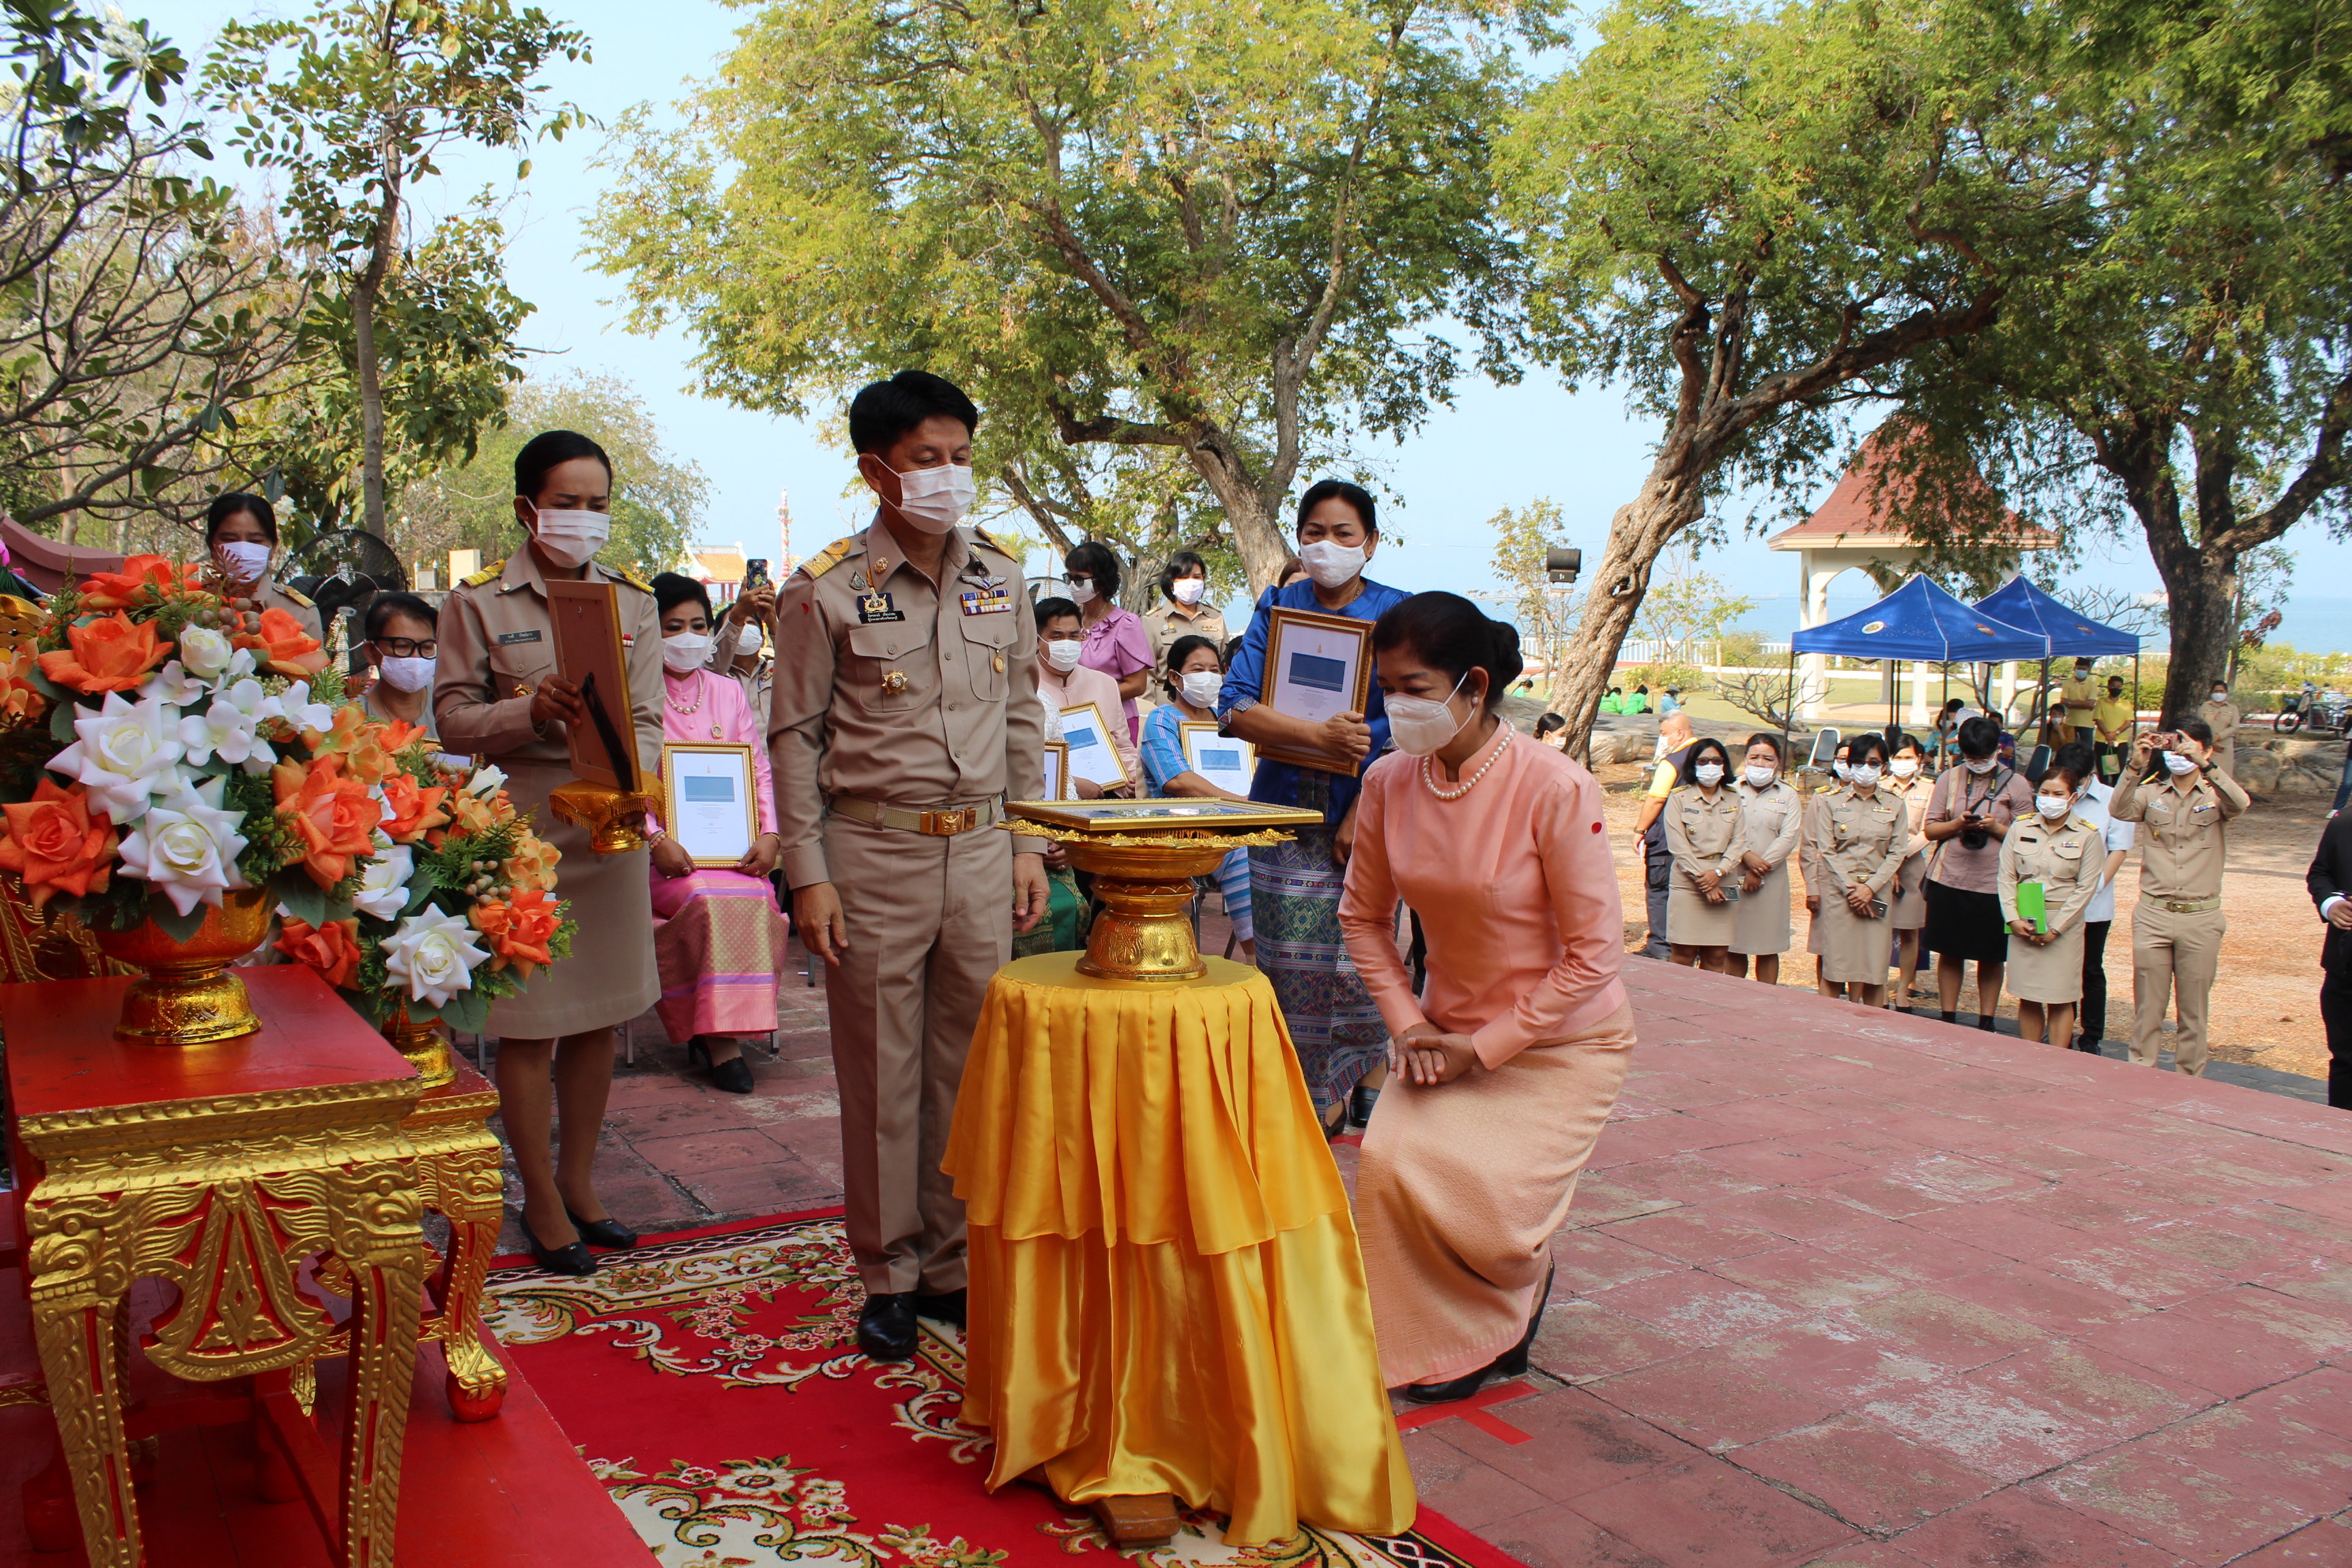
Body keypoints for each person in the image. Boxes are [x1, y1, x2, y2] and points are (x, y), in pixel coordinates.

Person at [770, 370, 1049, 1360]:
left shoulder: (1004, 578)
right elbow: (795, 738)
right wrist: (808, 873)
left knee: (971, 1069)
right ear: (876, 469)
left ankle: (955, 1266)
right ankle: (888, 1272)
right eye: (927, 460)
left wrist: (1027, 844)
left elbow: (1023, 720)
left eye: (962, 459)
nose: (948, 477)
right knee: (882, 1074)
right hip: (873, 851)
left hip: (980, 850)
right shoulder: (827, 589)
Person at [1337, 593, 1630, 1403]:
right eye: (1385, 687)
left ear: (1473, 685)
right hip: (1445, 1028)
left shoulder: (1555, 788)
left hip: (1565, 1038)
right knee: (1393, 1167)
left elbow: (1595, 955)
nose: (1395, 706)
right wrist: (1413, 1024)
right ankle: (1448, 1337)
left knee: (1495, 1209)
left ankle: (1517, 1286)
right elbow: (1362, 919)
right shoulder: (1390, 782)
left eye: (1414, 687)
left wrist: (1491, 1046)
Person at [435, 430, 664, 1275]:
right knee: (531, 1028)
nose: (585, 520)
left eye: (598, 505)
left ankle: (580, 1180)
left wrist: (639, 786)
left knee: (601, 1017)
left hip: (608, 832)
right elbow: (452, 719)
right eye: (568, 503)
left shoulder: (631, 603)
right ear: (529, 508)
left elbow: (647, 721)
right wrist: (528, 712)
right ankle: (536, 1191)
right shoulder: (479, 605)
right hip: (522, 835)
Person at [1219, 478, 1409, 1134]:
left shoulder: (1400, 616)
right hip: (1281, 813)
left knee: (1360, 956)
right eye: (1314, 532)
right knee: (1287, 960)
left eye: (1343, 534)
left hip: (1371, 817)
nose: (1327, 545)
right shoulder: (1277, 605)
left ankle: (1365, 1071)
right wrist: (1315, 736)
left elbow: (1414, 721)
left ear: (1372, 543)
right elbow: (1236, 707)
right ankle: (1302, 1095)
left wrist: (1365, 807)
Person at [645, 572, 787, 1094]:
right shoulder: (635, 694)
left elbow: (758, 771)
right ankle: (718, 1041)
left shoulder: (728, 691)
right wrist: (655, 839)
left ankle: (722, 1026)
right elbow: (622, 781)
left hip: (730, 851)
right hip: (662, 856)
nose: (688, 636)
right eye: (673, 626)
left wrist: (770, 834)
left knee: (757, 897)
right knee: (704, 900)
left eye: (698, 625)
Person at [2110, 717, 2247, 1077]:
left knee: (2194, 1011)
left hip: (2200, 917)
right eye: (2172, 742)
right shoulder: (2152, 792)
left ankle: (2189, 1083)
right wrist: (2135, 765)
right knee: (2148, 1008)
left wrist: (2205, 764)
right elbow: (2120, 810)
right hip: (2154, 913)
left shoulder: (2215, 793)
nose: (2177, 751)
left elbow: (2241, 803)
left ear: (2206, 748)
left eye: (2185, 743)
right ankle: (2142, 1076)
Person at [1139, 634, 1252, 960]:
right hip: (1183, 828)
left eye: (1214, 669)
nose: (1209, 677)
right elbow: (1177, 781)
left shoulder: (1227, 722)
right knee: (1243, 852)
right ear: (1175, 677)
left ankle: (1288, 951)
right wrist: (1236, 801)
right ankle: (1259, 959)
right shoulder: (1163, 719)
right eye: (1198, 668)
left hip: (1237, 818)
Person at [1921, 715, 2034, 1028]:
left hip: (1995, 883)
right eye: (1971, 757)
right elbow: (1930, 830)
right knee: (1950, 950)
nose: (1977, 763)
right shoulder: (1950, 779)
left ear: (1997, 749)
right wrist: (1958, 824)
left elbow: (2030, 838)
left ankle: (1987, 1019)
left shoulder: (2017, 784)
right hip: (1951, 877)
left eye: (1983, 757)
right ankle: (1947, 1015)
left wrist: (1997, 827)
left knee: (1991, 955)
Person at [1997, 761, 2106, 1045]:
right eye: (2045, 792)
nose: (2050, 799)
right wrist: (2012, 918)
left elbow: (2086, 888)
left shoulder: (2087, 835)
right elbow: (2006, 877)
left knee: (2061, 998)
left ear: (2073, 797)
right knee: (2029, 995)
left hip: (2064, 926)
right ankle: (2032, 1058)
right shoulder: (2020, 828)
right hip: (2025, 920)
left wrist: (2056, 928)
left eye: (2059, 794)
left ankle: (2058, 1062)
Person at [1806, 732, 1905, 1007]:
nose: (1866, 769)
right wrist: (1852, 889)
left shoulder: (1895, 803)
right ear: (1849, 765)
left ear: (1885, 766)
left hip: (1877, 893)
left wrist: (1869, 888)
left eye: (1874, 763)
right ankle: (1827, 1029)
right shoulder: (1831, 801)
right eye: (1859, 762)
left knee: (1873, 972)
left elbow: (1897, 851)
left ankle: (1871, 1033)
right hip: (1841, 895)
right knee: (1835, 968)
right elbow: (1827, 850)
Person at [2055, 740, 2134, 1054]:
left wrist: (2094, 886)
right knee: (2060, 967)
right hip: (2055, 899)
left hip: (2093, 904)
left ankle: (2091, 1036)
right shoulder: (2054, 794)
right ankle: (2059, 1027)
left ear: (2090, 775)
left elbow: (2119, 848)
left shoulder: (2112, 801)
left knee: (2090, 967)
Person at [204, 492, 329, 672]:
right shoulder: (192, 604)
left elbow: (313, 684)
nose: (243, 551)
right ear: (211, 546)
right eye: (229, 540)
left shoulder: (301, 612)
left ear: (273, 548)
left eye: (255, 541)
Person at [1035, 596, 1138, 796]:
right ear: (1036, 640)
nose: (1067, 643)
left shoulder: (1106, 684)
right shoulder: (1022, 688)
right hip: (1049, 801)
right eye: (1057, 637)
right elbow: (1021, 760)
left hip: (1109, 798)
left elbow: (1124, 748)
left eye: (1074, 636)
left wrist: (1133, 780)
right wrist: (1070, 785)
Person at [1060, 540, 1154, 742]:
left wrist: (1090, 699)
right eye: (1069, 577)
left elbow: (1138, 685)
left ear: (1101, 581)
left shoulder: (1126, 624)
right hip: (1069, 720)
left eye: (1079, 579)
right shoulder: (1069, 620)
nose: (1072, 585)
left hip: (1114, 722)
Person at [1727, 734, 1802, 986]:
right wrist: (1745, 855)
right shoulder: (1731, 790)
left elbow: (1789, 836)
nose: (1760, 763)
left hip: (1771, 880)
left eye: (1768, 758)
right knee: (1735, 944)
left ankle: (1767, 999)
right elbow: (1722, 830)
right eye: (1754, 757)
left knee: (1768, 946)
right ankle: (1734, 997)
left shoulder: (1789, 795)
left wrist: (1758, 870)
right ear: (1745, 759)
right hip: (1733, 874)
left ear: (1778, 763)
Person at [1663, 737, 1741, 974]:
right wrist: (1705, 881)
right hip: (1689, 884)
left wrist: (1719, 872)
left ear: (1724, 765)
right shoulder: (1679, 798)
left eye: (1716, 761)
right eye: (1703, 760)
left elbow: (1740, 841)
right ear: (1693, 765)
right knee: (1683, 954)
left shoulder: (1734, 798)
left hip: (1724, 880)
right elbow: (1678, 847)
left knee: (1717, 955)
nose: (1710, 766)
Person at [1631, 711, 1697, 961]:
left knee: (1660, 890)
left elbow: (1657, 798)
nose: (1663, 740)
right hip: (1704, 840)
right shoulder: (1710, 755)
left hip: (1668, 840)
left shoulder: (1673, 761)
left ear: (1679, 733)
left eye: (1664, 734)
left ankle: (1661, 947)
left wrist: (1639, 830)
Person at [2307, 806, 2352, 1108]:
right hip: (2344, 967)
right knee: (2346, 1059)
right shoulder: (2344, 822)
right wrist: (2330, 903)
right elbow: (2319, 873)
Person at [1886, 734, 1933, 1009]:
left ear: (1918, 760)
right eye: (1898, 758)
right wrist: (1889, 859)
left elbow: (1929, 828)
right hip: (1880, 866)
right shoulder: (1879, 786)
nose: (1903, 763)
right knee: (1880, 929)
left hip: (1913, 866)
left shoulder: (1930, 789)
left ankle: (1904, 988)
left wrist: (1900, 855)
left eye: (1908, 758)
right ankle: (1879, 985)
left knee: (1910, 932)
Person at [1800, 738, 1850, 991]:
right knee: (1825, 946)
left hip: (1862, 883)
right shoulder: (1822, 798)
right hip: (1828, 881)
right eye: (1841, 759)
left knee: (1860, 948)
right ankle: (1825, 997)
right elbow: (1809, 846)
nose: (1848, 765)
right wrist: (1812, 887)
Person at [356, 591, 441, 739]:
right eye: (403, 646)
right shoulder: (352, 719)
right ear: (371, 652)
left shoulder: (448, 706)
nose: (416, 657)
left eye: (427, 647)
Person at [1147, 549, 1228, 666]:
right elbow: (1148, 674)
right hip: (1169, 684)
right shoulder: (1152, 621)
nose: (1191, 582)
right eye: (1184, 577)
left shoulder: (1216, 617)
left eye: (1197, 577)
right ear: (1171, 583)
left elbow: (1226, 664)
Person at [2094, 674, 2136, 784]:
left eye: (2119, 686)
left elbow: (2129, 722)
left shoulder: (2126, 704)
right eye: (2114, 686)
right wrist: (2108, 735)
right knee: (2103, 773)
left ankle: (2115, 796)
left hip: (2120, 743)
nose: (2116, 688)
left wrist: (2115, 733)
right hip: (2103, 742)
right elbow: (2098, 720)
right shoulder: (2101, 703)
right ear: (2109, 687)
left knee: (2117, 773)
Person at [2200, 679, 2242, 779]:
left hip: (2224, 747)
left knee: (2224, 777)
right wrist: (2211, 741)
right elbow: (2200, 725)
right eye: (2216, 691)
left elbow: (2235, 727)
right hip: (2208, 746)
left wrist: (2219, 736)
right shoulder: (2205, 706)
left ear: (2226, 693)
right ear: (2212, 692)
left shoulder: (2233, 709)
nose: (2219, 693)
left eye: (2222, 691)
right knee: (2206, 775)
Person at [2059, 657, 2100, 745]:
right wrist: (2084, 704)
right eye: (2079, 668)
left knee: (2086, 751)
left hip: (2087, 724)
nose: (2081, 671)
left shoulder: (2093, 684)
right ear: (2075, 669)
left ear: (2088, 670)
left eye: (2084, 669)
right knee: (2071, 749)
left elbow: (2091, 704)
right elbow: (2063, 701)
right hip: (2070, 722)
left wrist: (2070, 703)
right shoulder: (2067, 683)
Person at [1931, 698, 1969, 768]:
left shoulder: (1961, 719)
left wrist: (1947, 742)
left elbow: (1962, 736)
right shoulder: (1935, 734)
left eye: (1948, 718)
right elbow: (1927, 750)